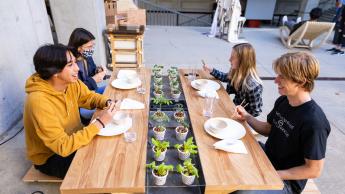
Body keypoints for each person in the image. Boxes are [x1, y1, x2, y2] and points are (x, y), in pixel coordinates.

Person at [233, 52, 331, 194]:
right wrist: (247, 117)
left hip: (285, 182)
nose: (276, 80)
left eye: (282, 77)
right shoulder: (284, 100)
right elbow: (268, 129)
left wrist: (275, 174)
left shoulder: (314, 122)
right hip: (267, 158)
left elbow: (314, 170)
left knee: (240, 192)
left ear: (301, 81)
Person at [24, 44, 116, 178]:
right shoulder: (38, 101)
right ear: (54, 72)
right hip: (52, 156)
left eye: (75, 62)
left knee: (109, 147)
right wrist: (99, 123)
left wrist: (106, 102)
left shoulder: (71, 83)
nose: (77, 68)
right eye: (70, 64)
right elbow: (62, 147)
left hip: (74, 138)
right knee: (102, 168)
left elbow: (88, 97)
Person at [202, 43, 263, 117]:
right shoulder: (237, 71)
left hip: (242, 119)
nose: (229, 59)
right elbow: (226, 77)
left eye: (233, 57)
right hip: (232, 109)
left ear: (243, 62)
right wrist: (212, 70)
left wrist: (242, 114)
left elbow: (256, 111)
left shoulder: (253, 86)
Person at [68, 28, 107, 121]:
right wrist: (94, 80)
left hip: (90, 93)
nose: (91, 49)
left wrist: (98, 71)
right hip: (80, 102)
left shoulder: (86, 56)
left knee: (108, 89)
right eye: (89, 46)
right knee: (107, 109)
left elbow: (92, 71)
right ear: (79, 47)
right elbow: (76, 90)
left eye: (93, 46)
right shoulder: (71, 65)